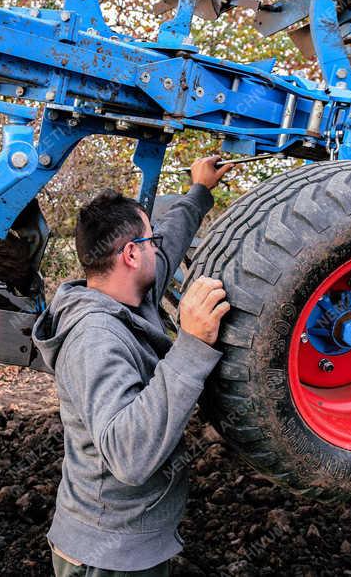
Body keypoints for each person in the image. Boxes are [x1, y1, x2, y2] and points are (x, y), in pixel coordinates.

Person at [32, 156, 234, 576]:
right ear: (130, 254)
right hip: (105, 557)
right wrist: (192, 345)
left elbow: (171, 242)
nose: (158, 248)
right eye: (150, 241)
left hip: (131, 545)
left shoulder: (129, 296)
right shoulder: (94, 338)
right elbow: (128, 455)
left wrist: (200, 191)